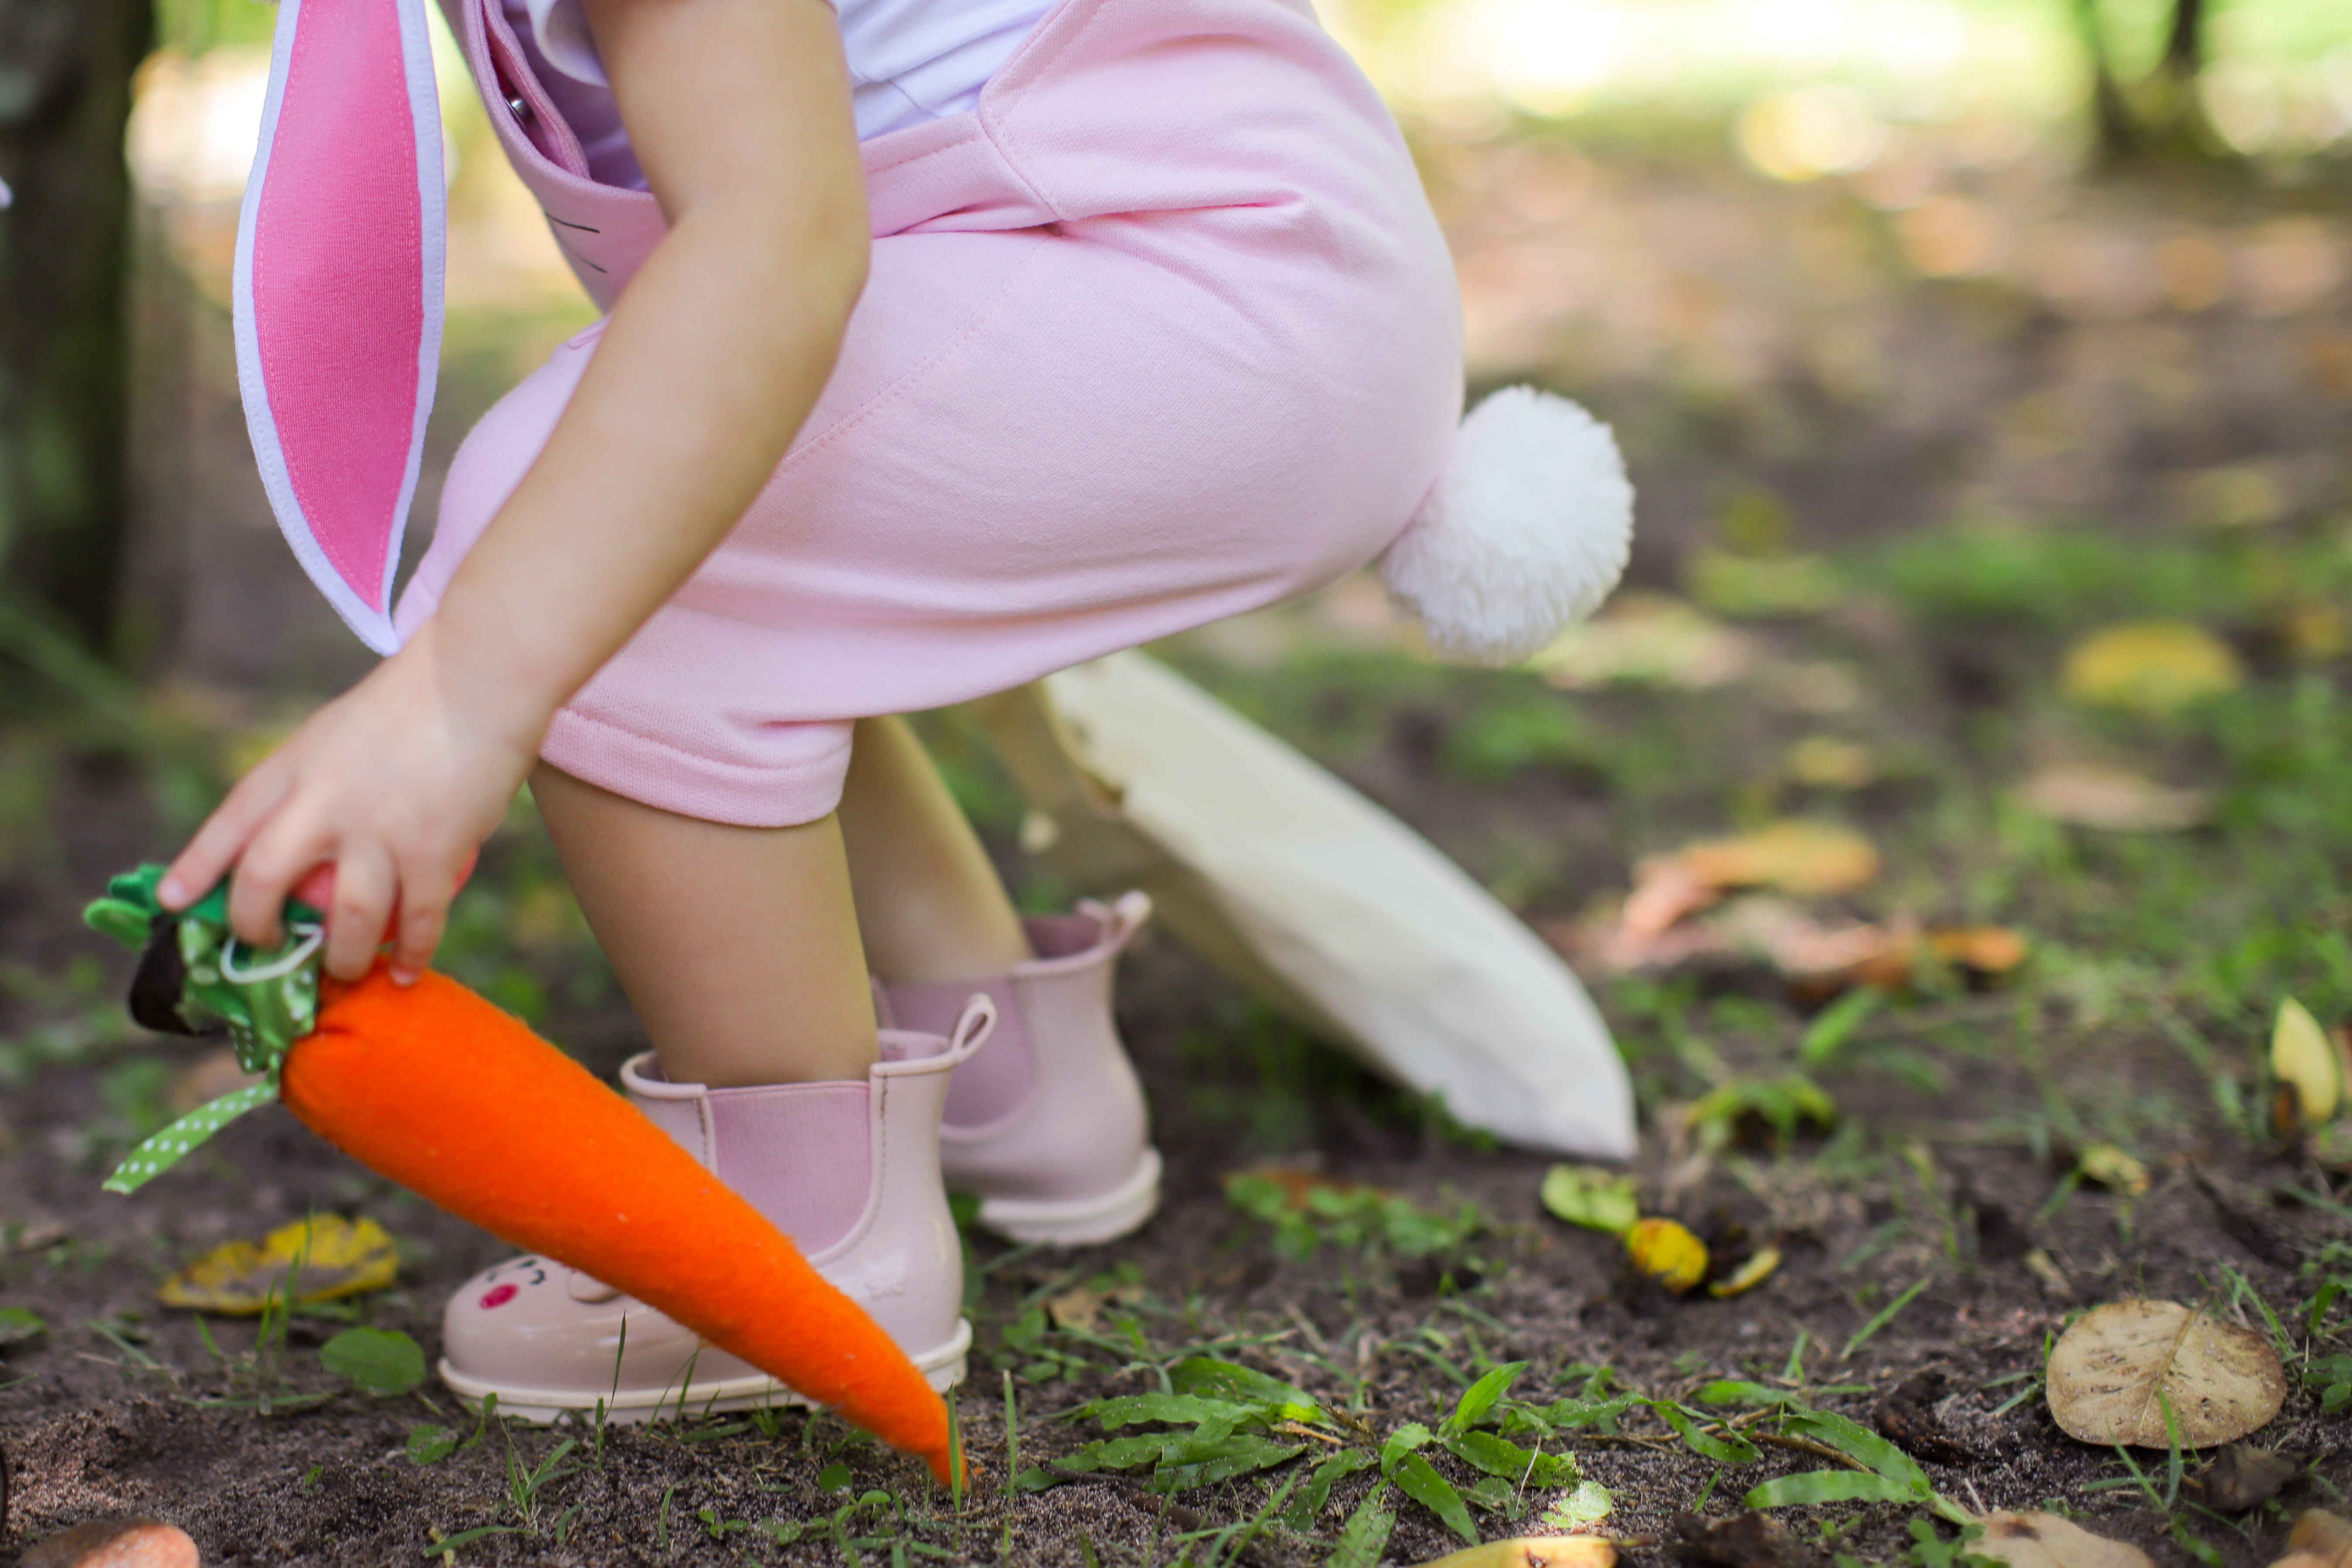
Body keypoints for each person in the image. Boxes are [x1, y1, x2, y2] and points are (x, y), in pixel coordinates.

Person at [162, 0, 1620, 1419]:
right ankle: (1015, 1080)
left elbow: (775, 243)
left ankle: (803, 1230)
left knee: (570, 537)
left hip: (1194, 272)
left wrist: (463, 694)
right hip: (1215, 254)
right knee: (690, 531)